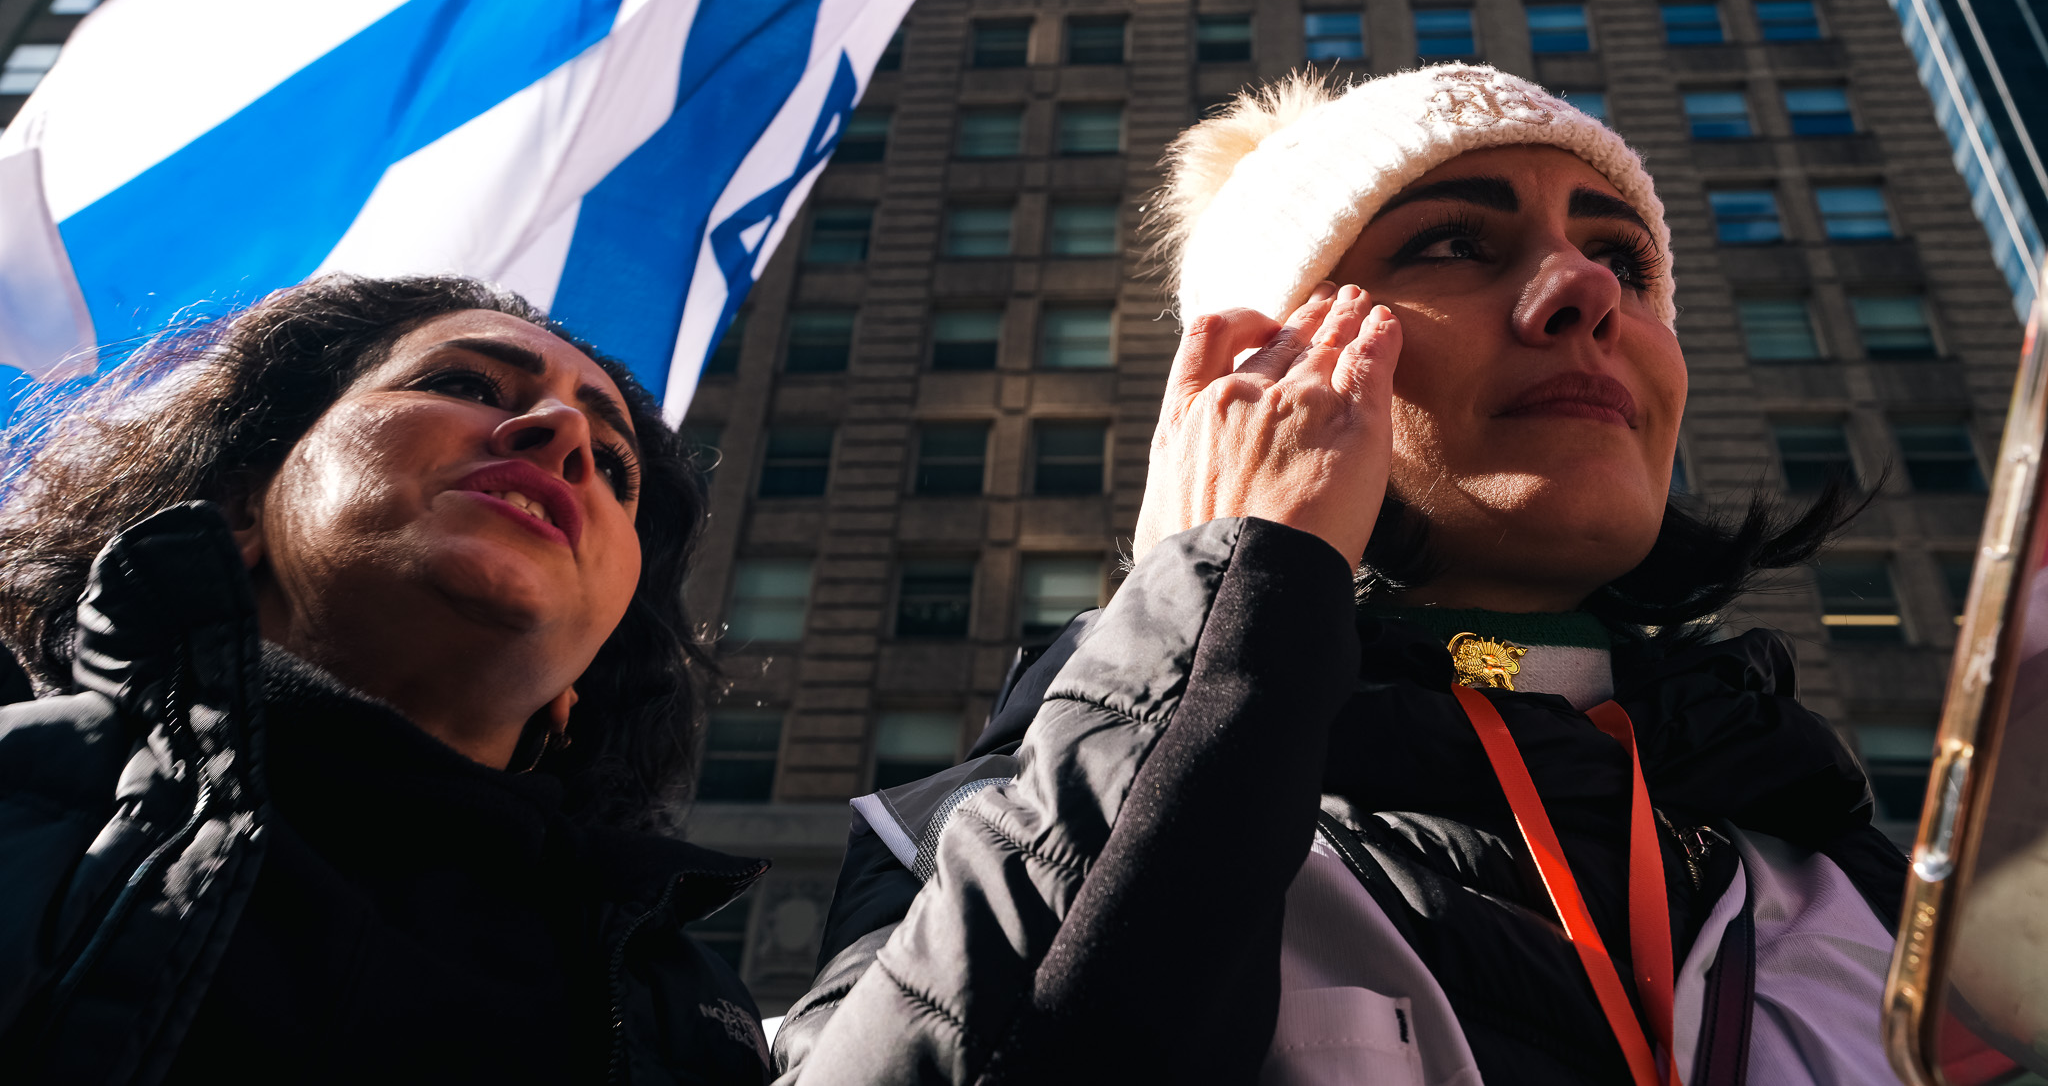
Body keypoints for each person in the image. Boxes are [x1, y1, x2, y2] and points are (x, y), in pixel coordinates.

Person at [773, 65, 1906, 1085]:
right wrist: (1215, 601)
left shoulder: (1841, 864)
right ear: (1264, 370)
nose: (1585, 289)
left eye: (1621, 258)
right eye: (1454, 243)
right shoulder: (960, 838)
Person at [0, 275, 773, 1084]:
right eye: (464, 383)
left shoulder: (693, 1023)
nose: (565, 431)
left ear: (584, 675)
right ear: (239, 505)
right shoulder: (25, 800)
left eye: (615, 468)